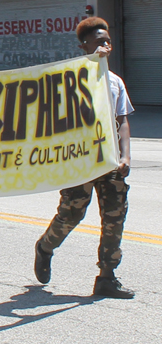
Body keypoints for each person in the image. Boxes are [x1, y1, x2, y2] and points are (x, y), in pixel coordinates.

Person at [34, 17, 134, 299]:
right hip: (79, 160)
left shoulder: (115, 82)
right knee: (71, 213)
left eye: (107, 40)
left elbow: (121, 120)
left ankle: (106, 276)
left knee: (114, 217)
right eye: (98, 41)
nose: (105, 44)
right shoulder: (74, 78)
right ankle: (45, 247)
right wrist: (92, 67)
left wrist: (125, 155)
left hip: (110, 160)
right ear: (84, 47)